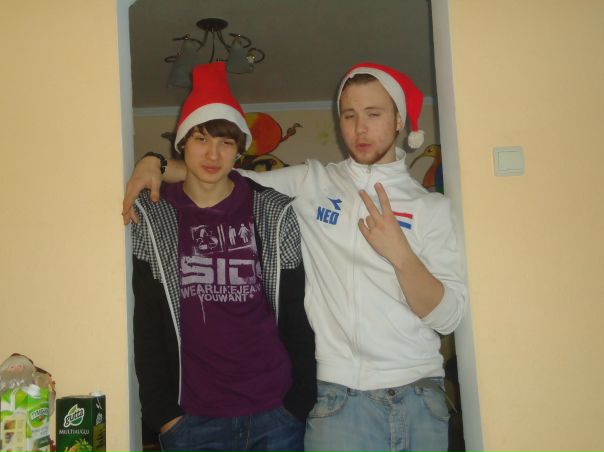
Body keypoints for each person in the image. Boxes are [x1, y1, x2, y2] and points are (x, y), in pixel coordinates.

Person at [124, 62, 467, 452]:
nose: (360, 129)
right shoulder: (312, 182)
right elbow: (222, 177)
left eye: (374, 114)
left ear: (399, 120)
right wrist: (155, 162)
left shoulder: (431, 208)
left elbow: (448, 317)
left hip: (419, 392)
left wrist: (401, 255)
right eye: (349, 115)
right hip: (337, 398)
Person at [130, 61, 315, 452]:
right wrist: (163, 415)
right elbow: (146, 325)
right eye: (201, 139)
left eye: (226, 143)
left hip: (275, 414)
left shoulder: (273, 212)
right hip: (191, 421)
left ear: (238, 151)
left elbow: (296, 315)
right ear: (182, 144)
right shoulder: (154, 216)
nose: (212, 154)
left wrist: (298, 402)